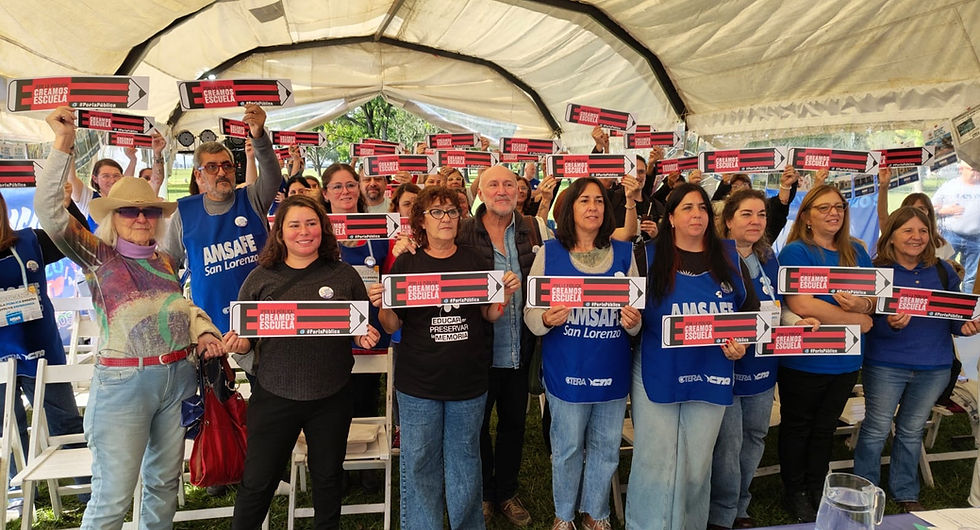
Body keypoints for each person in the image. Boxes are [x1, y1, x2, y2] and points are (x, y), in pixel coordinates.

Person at [35, 106, 226, 530]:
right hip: (123, 386)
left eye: (150, 211)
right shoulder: (98, 256)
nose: (141, 218)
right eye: (129, 211)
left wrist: (205, 331)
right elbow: (50, 214)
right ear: (112, 217)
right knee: (113, 495)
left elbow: (180, 308)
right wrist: (63, 144)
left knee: (161, 485)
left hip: (176, 379)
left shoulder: (163, 261)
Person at [226, 194, 380, 529]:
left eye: (311, 223)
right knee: (257, 482)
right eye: (294, 224)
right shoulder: (260, 278)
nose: (304, 231)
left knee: (327, 480)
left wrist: (363, 336)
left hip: (331, 395)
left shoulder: (344, 276)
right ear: (280, 233)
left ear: (323, 229)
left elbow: (357, 327)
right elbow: (246, 335)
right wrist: (240, 341)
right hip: (274, 394)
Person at [368, 186, 518, 529]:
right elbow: (392, 325)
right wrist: (385, 303)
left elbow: (490, 315)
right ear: (421, 220)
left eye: (451, 211)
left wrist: (505, 296)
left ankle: (466, 524)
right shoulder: (407, 262)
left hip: (468, 379)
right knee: (420, 461)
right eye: (436, 212)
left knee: (465, 459)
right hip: (419, 382)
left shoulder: (476, 260)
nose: (446, 218)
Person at [626, 183, 757, 529]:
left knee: (697, 463)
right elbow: (631, 322)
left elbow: (751, 318)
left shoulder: (730, 258)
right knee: (655, 461)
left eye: (701, 207)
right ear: (670, 217)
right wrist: (632, 323)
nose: (696, 214)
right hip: (657, 370)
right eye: (686, 207)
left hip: (711, 371)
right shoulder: (645, 256)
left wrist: (741, 343)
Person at [524, 177, 640, 530]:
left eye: (600, 201)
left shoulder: (624, 253)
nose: (593, 207)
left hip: (612, 370)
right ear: (570, 207)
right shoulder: (550, 252)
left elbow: (638, 318)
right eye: (584, 201)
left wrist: (633, 321)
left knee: (606, 447)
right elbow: (531, 314)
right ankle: (564, 515)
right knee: (568, 448)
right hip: (567, 371)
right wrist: (545, 317)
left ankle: (597, 512)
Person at [852, 206, 980, 511]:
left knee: (911, 430)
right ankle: (864, 491)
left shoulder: (942, 270)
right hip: (885, 363)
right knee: (876, 428)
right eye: (908, 230)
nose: (917, 237)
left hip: (934, 366)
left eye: (923, 231)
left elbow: (953, 320)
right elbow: (865, 316)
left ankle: (906, 492)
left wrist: (967, 326)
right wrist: (888, 322)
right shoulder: (876, 272)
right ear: (892, 235)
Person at [708, 189, 820, 529]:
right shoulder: (713, 259)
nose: (756, 221)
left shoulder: (770, 257)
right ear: (728, 220)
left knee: (755, 437)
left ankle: (741, 506)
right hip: (725, 363)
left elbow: (778, 306)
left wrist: (798, 322)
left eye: (761, 214)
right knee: (728, 445)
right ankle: (721, 514)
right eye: (746, 214)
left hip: (763, 364)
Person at [455, 166, 550, 527]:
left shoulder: (532, 229)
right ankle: (482, 493)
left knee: (513, 423)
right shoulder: (463, 231)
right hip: (477, 347)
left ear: (518, 190)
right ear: (480, 190)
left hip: (520, 345)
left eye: (508, 184)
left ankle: (506, 491)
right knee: (476, 426)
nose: (501, 190)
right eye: (492, 184)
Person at [776, 184, 875, 522]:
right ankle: (794, 491)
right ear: (806, 216)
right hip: (805, 359)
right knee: (798, 427)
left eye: (839, 207)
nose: (834, 213)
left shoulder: (857, 253)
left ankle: (817, 489)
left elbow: (874, 297)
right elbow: (802, 304)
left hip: (846, 361)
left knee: (825, 429)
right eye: (824, 208)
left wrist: (865, 305)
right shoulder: (795, 254)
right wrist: (857, 318)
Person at [0, 190, 88, 517]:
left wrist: (68, 205)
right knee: (6, 430)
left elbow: (73, 237)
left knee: (63, 420)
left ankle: (84, 489)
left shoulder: (30, 240)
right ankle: (18, 494)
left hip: (41, 352)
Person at [159, 103, 279, 339]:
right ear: (198, 174)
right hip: (210, 324)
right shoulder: (184, 212)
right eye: (212, 167)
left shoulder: (252, 198)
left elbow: (272, 175)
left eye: (227, 166)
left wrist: (258, 135)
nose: (221, 172)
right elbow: (168, 263)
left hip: (263, 314)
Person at [322, 163, 391, 425]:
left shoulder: (380, 230)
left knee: (365, 400)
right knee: (332, 405)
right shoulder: (317, 235)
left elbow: (390, 275)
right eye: (337, 186)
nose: (345, 191)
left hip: (371, 330)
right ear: (326, 193)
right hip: (331, 333)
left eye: (351, 185)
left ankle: (367, 462)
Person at [877, 168, 954, 260]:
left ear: (929, 212)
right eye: (908, 231)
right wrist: (883, 187)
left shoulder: (941, 245)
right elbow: (882, 216)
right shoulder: (894, 232)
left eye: (921, 209)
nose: (916, 237)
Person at [932, 161, 980, 292]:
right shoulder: (950, 186)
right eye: (972, 169)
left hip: (976, 238)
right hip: (951, 235)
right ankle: (945, 297)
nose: (975, 172)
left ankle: (969, 304)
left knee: (972, 276)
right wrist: (947, 210)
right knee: (945, 269)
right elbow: (931, 208)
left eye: (977, 169)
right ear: (961, 169)